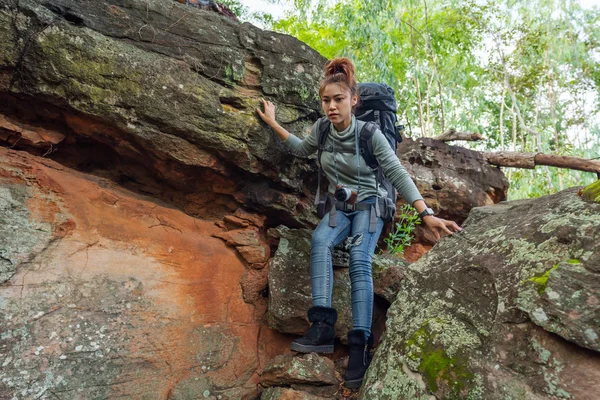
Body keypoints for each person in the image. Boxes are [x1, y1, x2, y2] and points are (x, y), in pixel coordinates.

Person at [257, 57, 461, 389]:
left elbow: (396, 173)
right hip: (342, 205)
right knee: (320, 242)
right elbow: (300, 149)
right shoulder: (322, 129)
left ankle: (360, 347)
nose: (331, 107)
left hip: (371, 203)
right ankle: (321, 327)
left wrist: (427, 214)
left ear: (353, 100)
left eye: (338, 99)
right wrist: (272, 122)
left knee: (358, 258)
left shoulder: (370, 134)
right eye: (326, 100)